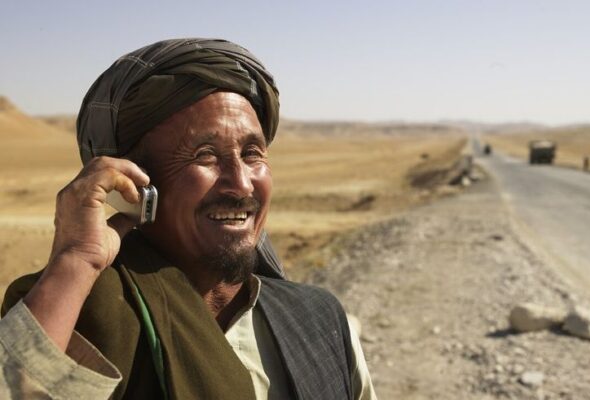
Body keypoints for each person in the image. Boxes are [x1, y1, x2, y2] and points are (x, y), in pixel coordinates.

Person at [0, 39, 377, 399]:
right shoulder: (84, 317)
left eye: (252, 153)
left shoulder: (319, 319)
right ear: (130, 184)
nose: (241, 184)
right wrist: (76, 261)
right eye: (205, 155)